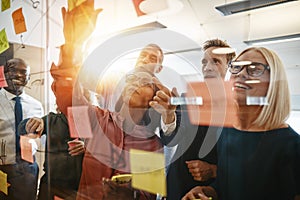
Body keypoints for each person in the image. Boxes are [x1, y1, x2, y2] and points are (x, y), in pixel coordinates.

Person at [182, 47, 300, 200]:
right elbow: (226, 185)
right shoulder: (227, 131)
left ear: (273, 83)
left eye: (254, 69)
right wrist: (207, 191)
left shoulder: (291, 146)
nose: (241, 74)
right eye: (236, 67)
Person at [149, 39, 236, 200]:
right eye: (204, 62)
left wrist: (214, 169)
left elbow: (243, 159)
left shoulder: (238, 108)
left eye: (215, 61)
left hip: (213, 190)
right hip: (177, 186)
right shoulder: (186, 99)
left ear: (229, 67)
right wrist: (168, 116)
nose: (207, 67)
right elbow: (171, 140)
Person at [18, 66, 86, 200]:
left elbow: (102, 148)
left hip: (78, 187)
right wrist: (31, 124)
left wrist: (86, 147)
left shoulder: (89, 120)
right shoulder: (51, 120)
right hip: (51, 186)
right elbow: (22, 128)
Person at [0, 58, 44, 200]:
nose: (18, 76)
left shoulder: (36, 106)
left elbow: (41, 139)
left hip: (28, 169)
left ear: (29, 77)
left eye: (23, 73)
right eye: (13, 71)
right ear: (5, 74)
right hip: (2, 168)